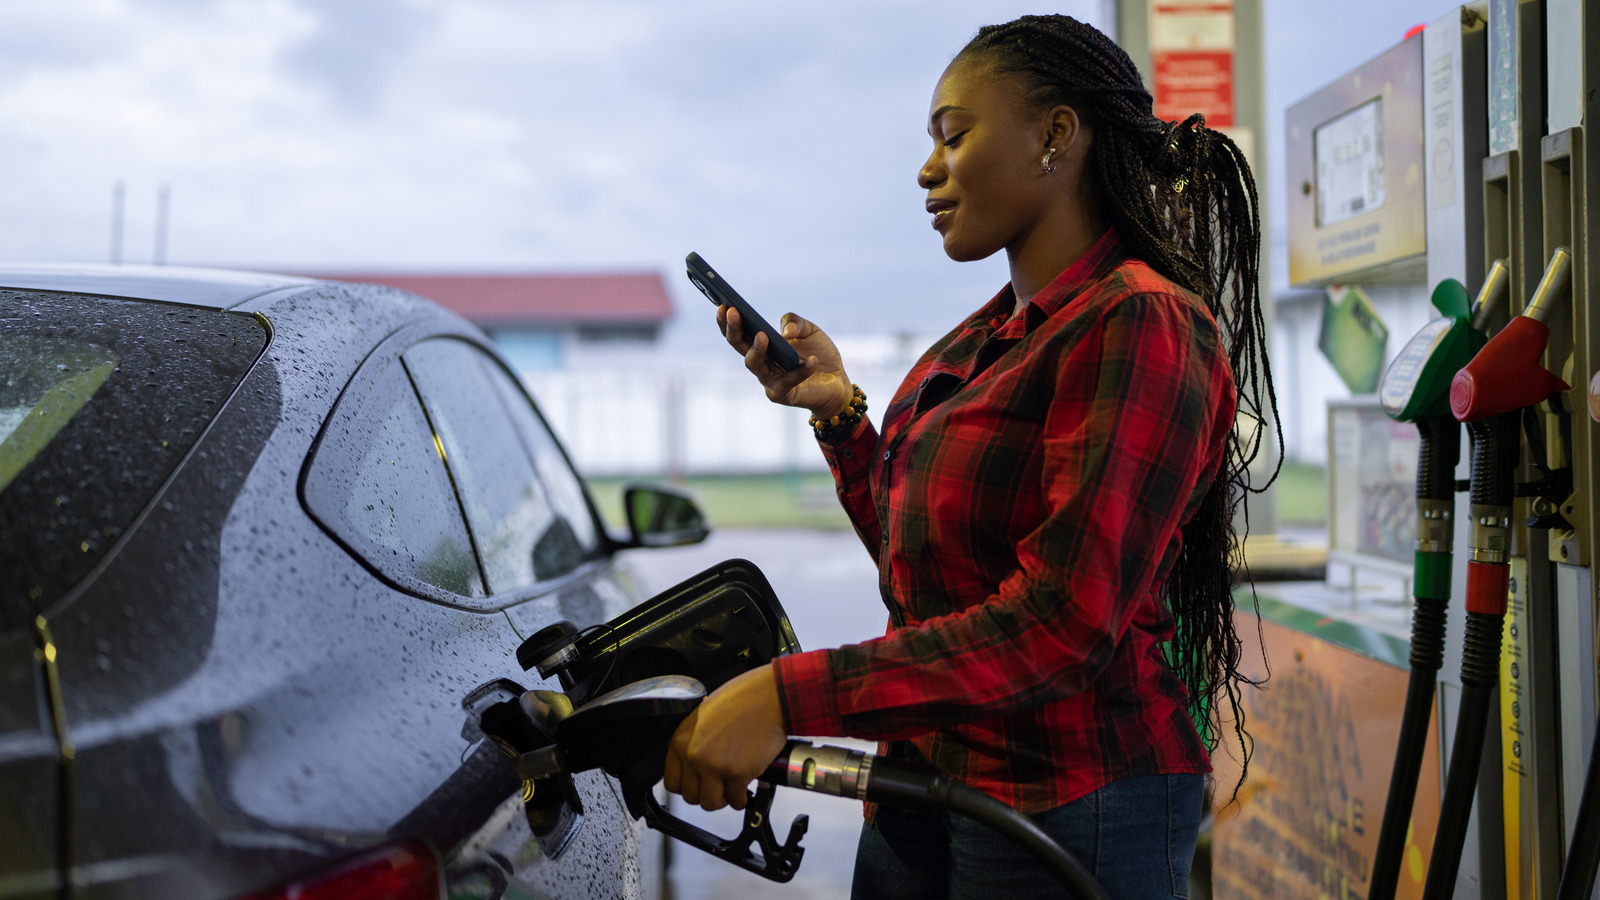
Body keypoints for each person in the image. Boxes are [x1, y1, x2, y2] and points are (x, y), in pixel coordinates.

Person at [661, 14, 1279, 900]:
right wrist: (840, 418)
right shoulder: (985, 335)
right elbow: (929, 574)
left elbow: (1061, 621)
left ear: (1055, 136)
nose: (926, 168)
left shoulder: (1140, 321)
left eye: (954, 135)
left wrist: (788, 697)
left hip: (1072, 798)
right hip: (927, 780)